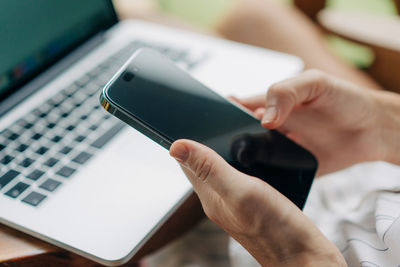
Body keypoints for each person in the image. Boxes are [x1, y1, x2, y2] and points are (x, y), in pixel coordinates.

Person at [169, 69, 400, 266]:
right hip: (378, 171)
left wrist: (298, 256)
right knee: (252, 20)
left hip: (304, 241)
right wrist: (381, 124)